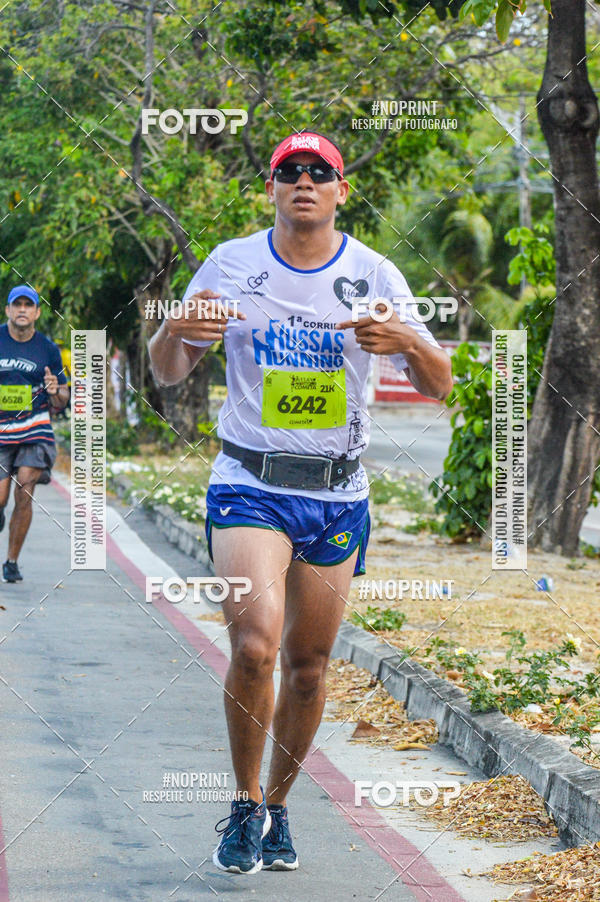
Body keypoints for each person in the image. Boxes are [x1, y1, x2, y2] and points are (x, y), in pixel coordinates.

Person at [148, 131, 453, 874]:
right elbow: (168, 370)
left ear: (342, 190)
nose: (305, 182)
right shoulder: (231, 263)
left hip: (337, 493)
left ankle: (280, 807)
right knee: (256, 645)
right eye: (290, 171)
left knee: (309, 666)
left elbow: (441, 384)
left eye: (321, 172)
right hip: (250, 482)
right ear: (272, 189)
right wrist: (171, 330)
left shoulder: (374, 272)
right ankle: (245, 803)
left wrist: (407, 342)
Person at [0, 286, 69, 582]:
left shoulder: (48, 349)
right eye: (17, 305)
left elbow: (63, 397)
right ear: (8, 310)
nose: (22, 310)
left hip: (34, 427)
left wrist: (55, 391)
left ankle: (11, 561)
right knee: (1, 498)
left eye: (28, 305)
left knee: (25, 489)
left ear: (37, 312)